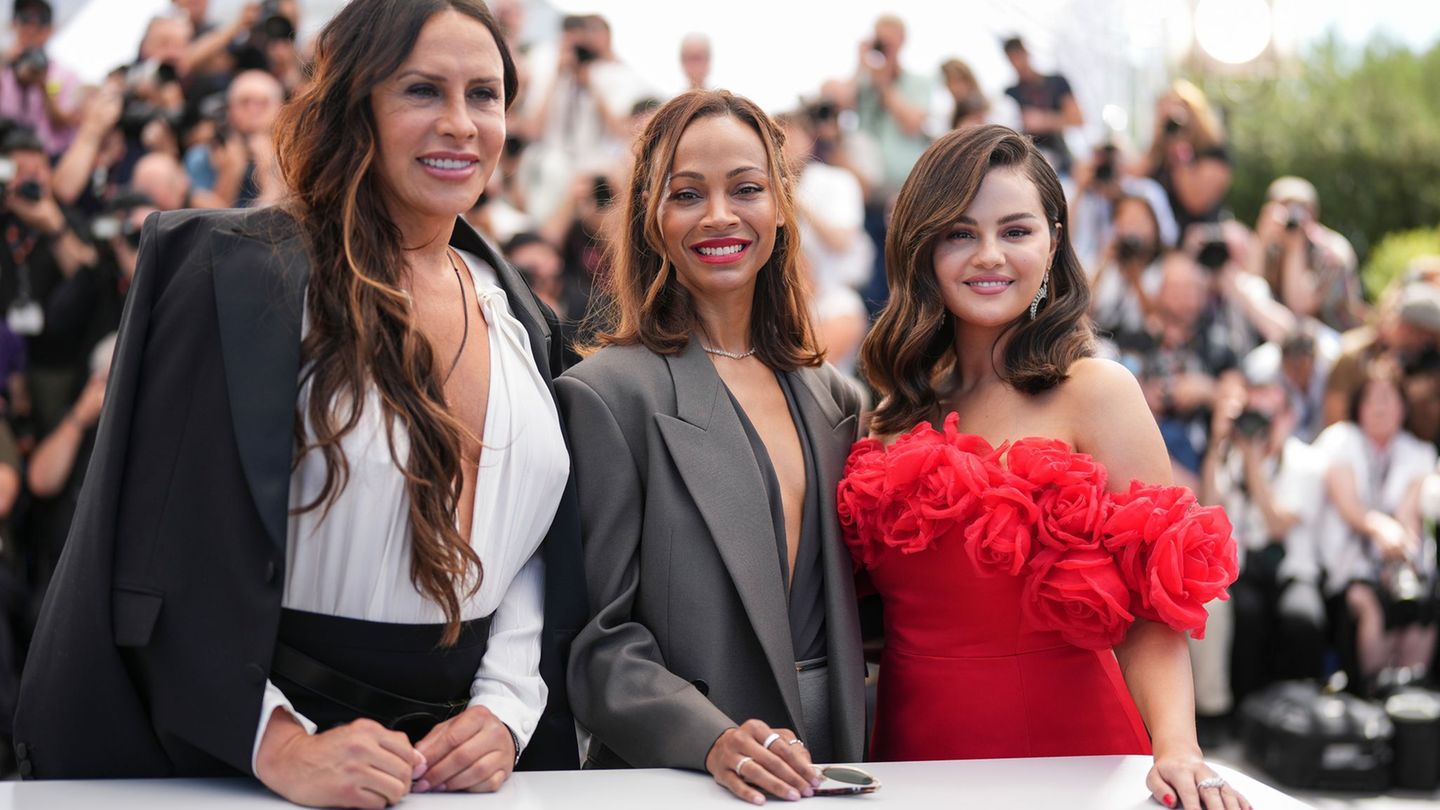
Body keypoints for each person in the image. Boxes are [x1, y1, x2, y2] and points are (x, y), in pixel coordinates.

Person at [15, 2, 586, 804]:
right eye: (423, 90)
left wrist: (505, 707)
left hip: (463, 778)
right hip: (245, 771)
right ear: (356, 105)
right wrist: (276, 742)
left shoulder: (520, 310)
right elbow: (163, 544)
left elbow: (535, 545)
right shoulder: (238, 275)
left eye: (485, 95)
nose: (461, 124)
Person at [841, 125, 1245, 810]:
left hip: (1072, 757)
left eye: (1017, 231)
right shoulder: (889, 412)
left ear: (1053, 242)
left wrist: (1178, 746)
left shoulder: (1098, 391)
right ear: (922, 247)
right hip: (908, 756)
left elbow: (1156, 604)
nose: (990, 256)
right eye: (959, 233)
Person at [559, 90, 867, 804]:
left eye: (747, 189)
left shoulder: (837, 401)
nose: (720, 215)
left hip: (835, 773)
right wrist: (709, 738)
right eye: (687, 193)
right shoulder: (607, 396)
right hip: (689, 782)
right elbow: (595, 644)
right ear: (651, 219)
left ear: (782, 206)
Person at [1314, 365, 1437, 690]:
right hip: (1349, 561)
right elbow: (1349, 506)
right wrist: (1380, 528)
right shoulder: (1340, 440)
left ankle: (1410, 695)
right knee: (1369, 605)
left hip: (1400, 561)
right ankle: (1373, 689)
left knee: (1422, 608)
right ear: (1359, 406)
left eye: (1388, 398)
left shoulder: (1418, 451)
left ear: (1403, 406)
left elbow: (1410, 513)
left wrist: (1400, 550)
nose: (1380, 408)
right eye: (1372, 400)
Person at [1249, 176, 1364, 333]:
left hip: (1333, 336)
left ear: (1314, 213)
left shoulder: (1331, 253)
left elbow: (1300, 307)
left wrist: (1295, 249)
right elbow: (1250, 287)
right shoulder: (1272, 245)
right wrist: (1261, 240)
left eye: (1301, 208)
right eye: (1285, 208)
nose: (1292, 216)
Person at [0, 0, 82, 158]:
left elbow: (64, 121)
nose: (31, 29)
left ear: (50, 30)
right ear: (14, 24)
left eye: (41, 22)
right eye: (24, 20)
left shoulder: (63, 75)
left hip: (46, 157)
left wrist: (43, 86)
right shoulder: (4, 66)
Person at [1001, 36, 1081, 178]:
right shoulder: (1010, 93)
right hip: (1026, 162)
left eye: (1020, 56)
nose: (1018, 64)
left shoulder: (1057, 82)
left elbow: (1078, 119)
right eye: (1013, 60)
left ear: (1027, 52)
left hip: (1059, 159)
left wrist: (1044, 121)